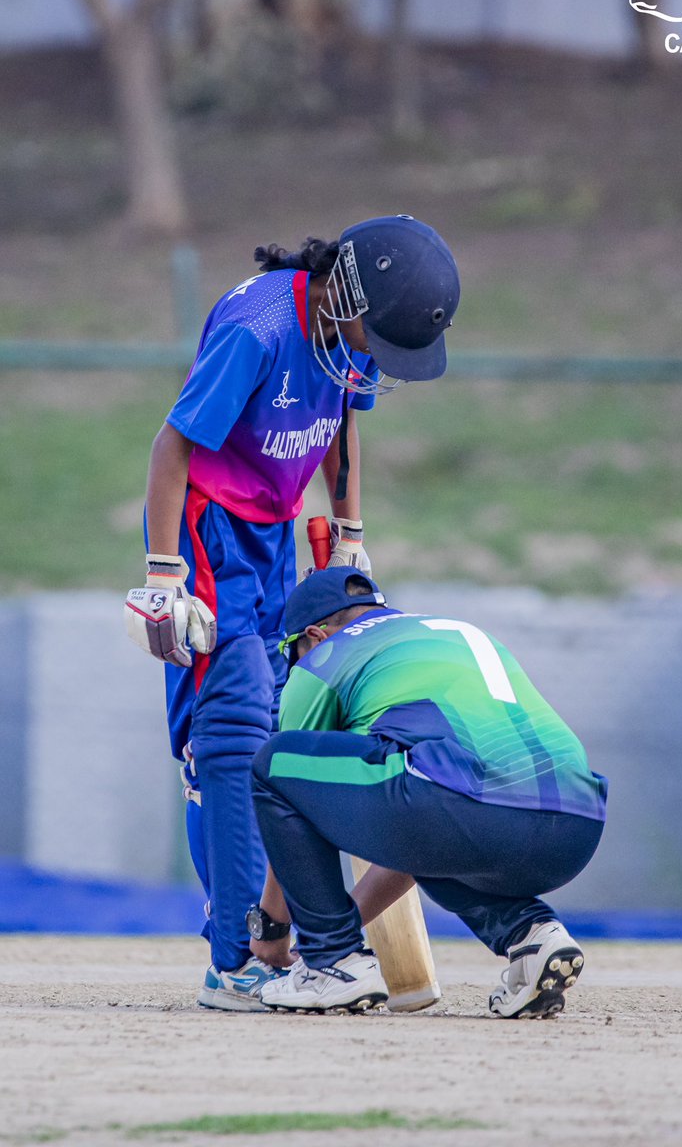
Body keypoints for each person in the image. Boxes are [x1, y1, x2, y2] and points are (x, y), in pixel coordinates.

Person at [123, 216, 460, 1010]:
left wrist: (347, 532)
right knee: (235, 725)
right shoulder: (258, 330)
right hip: (205, 524)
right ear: (344, 292)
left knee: (280, 728)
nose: (375, 355)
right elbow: (172, 446)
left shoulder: (349, 338)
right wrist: (163, 574)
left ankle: (282, 943)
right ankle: (235, 960)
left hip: (275, 530)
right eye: (375, 336)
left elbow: (340, 425)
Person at [250, 567, 608, 1019]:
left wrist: (274, 925)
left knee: (272, 762)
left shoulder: (324, 657)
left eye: (292, 652)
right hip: (576, 829)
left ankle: (332, 966)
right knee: (438, 819)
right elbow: (413, 842)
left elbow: (291, 791)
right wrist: (343, 925)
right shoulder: (459, 632)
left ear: (315, 635)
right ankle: (531, 935)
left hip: (455, 809)